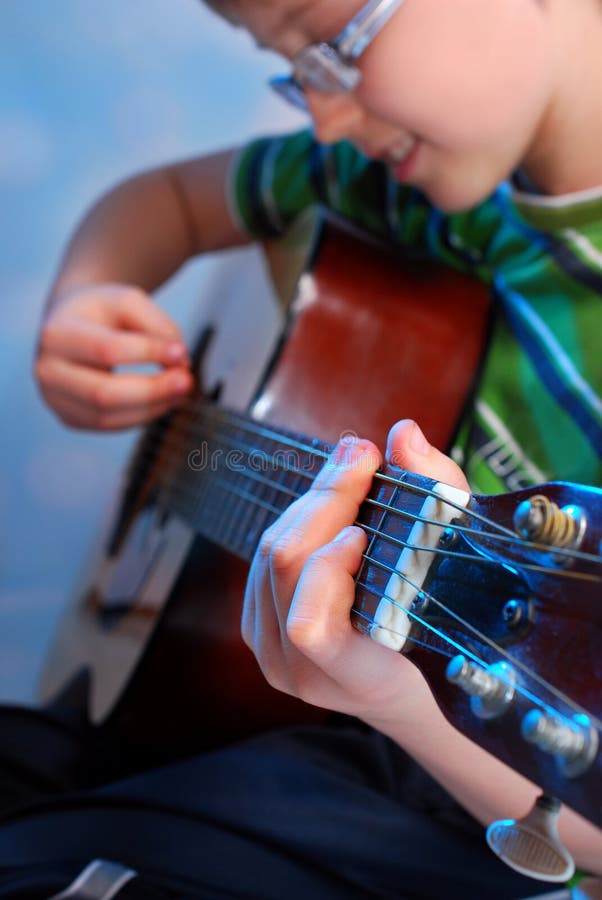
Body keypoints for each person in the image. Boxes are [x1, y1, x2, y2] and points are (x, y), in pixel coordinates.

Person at [1, 0, 601, 896]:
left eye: (329, 39)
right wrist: (87, 299)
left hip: (442, 793)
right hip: (256, 732)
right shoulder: (415, 186)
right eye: (292, 65)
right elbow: (166, 202)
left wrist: (399, 708)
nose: (323, 117)